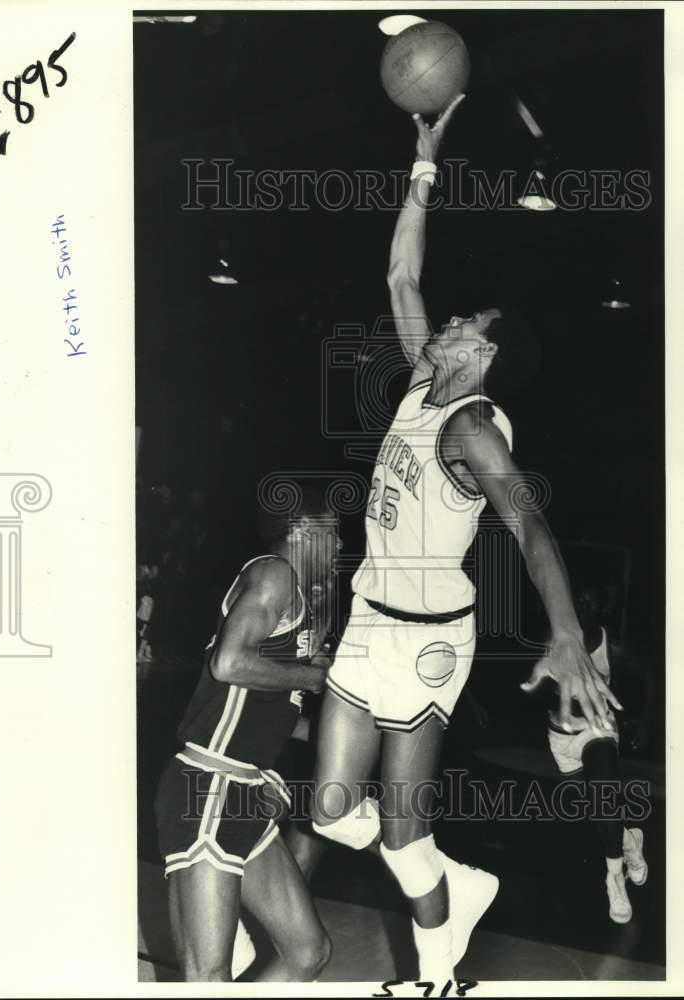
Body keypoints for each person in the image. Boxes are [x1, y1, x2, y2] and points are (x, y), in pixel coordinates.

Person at [306, 97, 622, 982]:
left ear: (481, 358)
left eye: (465, 326)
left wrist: (566, 635)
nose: (447, 324)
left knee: (405, 841)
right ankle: (459, 884)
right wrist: (424, 163)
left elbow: (528, 523)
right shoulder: (421, 383)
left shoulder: (476, 427)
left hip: (428, 642)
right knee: (334, 814)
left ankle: (438, 971)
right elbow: (403, 279)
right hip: (369, 618)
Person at [154, 493, 339, 981]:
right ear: (300, 531)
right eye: (332, 531)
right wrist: (312, 678)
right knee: (207, 978)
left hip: (245, 796)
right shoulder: (274, 574)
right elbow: (229, 663)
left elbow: (271, 715)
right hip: (207, 786)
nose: (340, 543)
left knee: (308, 952)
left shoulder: (297, 611)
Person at [538, 583, 650, 923]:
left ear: (601, 608)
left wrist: (643, 720)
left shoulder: (608, 644)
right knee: (597, 815)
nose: (584, 602)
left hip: (598, 729)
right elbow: (534, 687)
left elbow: (648, 672)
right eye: (580, 597)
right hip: (561, 738)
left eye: (592, 598)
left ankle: (615, 879)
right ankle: (630, 838)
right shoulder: (550, 638)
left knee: (604, 796)